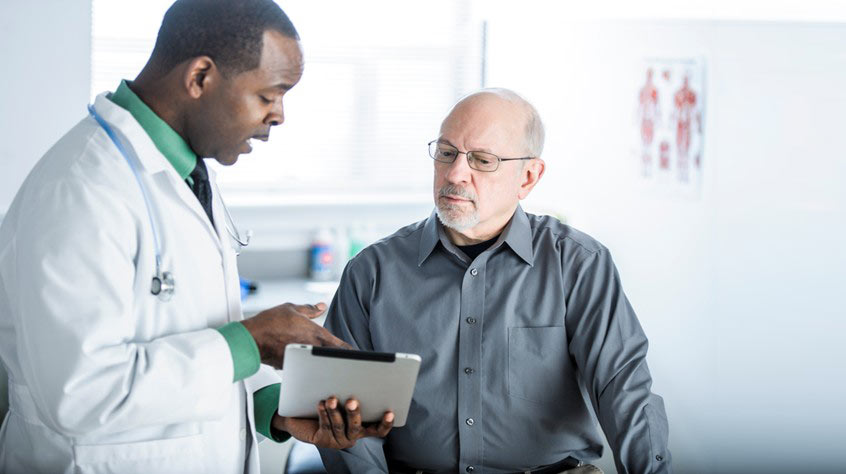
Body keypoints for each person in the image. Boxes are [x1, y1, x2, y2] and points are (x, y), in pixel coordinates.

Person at [0, 1, 391, 473]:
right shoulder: (82, 189)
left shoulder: (182, 176)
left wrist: (273, 408)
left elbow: (193, 333)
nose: (279, 116)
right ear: (201, 77)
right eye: (269, 95)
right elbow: (79, 393)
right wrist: (252, 342)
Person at [319, 89, 672, 473]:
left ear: (528, 177)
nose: (455, 174)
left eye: (482, 161)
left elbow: (624, 392)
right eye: (446, 153)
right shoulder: (372, 271)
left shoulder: (578, 265)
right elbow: (344, 415)